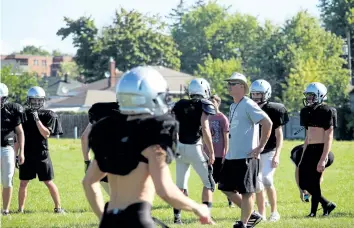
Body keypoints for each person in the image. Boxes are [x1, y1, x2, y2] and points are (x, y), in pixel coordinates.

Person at [82, 66, 213, 227]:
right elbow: (165, 190)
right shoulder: (153, 134)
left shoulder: (109, 131)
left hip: (110, 219)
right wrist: (198, 207)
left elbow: (89, 182)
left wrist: (104, 218)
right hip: (137, 219)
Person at [218, 72, 273, 228]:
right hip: (232, 156)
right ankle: (252, 214)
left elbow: (267, 123)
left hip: (246, 157)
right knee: (225, 188)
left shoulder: (248, 104)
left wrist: (260, 147)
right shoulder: (233, 105)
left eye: (232, 83)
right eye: (228, 83)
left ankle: (243, 223)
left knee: (247, 192)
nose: (228, 86)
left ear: (242, 87)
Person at [171, 78, 216, 224]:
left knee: (180, 186)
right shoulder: (204, 105)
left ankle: (177, 218)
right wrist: (211, 151)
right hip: (194, 148)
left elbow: (172, 125)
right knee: (209, 183)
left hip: (179, 148)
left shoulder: (180, 104)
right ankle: (205, 215)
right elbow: (205, 127)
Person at [18, 86, 65, 213]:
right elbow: (18, 135)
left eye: (39, 100)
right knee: (23, 183)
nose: (37, 103)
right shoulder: (23, 115)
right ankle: (20, 210)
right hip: (27, 153)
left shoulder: (48, 114)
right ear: (29, 100)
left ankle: (58, 208)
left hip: (41, 153)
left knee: (48, 182)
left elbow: (46, 134)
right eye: (34, 100)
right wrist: (17, 153)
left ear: (43, 101)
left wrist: (37, 118)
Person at [250, 79, 289, 221]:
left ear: (266, 94)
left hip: (270, 149)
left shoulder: (274, 109)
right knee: (258, 183)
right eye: (253, 94)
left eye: (258, 94)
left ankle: (274, 212)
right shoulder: (249, 107)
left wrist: (277, 155)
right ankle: (262, 214)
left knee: (266, 179)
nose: (255, 97)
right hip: (255, 151)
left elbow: (279, 134)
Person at [298, 82, 337, 217]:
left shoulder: (327, 111)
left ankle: (313, 212)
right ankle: (326, 204)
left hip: (321, 149)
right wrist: (303, 153)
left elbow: (329, 137)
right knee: (303, 182)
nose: (309, 98)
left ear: (320, 95)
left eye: (311, 95)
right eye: (308, 96)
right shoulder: (306, 111)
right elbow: (308, 136)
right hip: (309, 149)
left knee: (314, 181)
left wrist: (323, 157)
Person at [81, 101, 119, 194]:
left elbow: (85, 137)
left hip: (103, 161)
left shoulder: (100, 109)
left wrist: (87, 162)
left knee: (116, 198)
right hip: (130, 161)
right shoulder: (142, 112)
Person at [203, 94, 233, 207]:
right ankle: (208, 203)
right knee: (209, 179)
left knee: (223, 180)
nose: (211, 104)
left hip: (220, 154)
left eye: (213, 102)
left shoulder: (222, 118)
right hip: (208, 154)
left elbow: (226, 138)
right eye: (209, 102)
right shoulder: (206, 117)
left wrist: (226, 153)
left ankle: (231, 200)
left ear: (218, 103)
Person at [0, 83, 25, 215]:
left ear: (4, 98)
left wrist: (21, 152)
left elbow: (20, 132)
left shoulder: (12, 110)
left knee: (7, 179)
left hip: (7, 148)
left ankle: (5, 210)